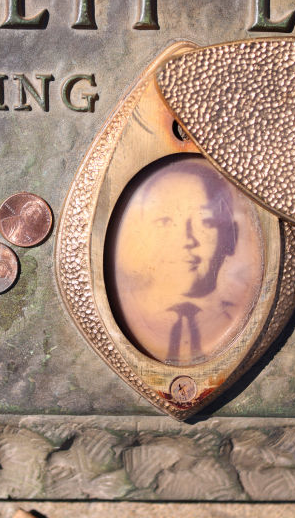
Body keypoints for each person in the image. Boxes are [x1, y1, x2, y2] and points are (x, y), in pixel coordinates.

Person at [109, 155, 262, 365]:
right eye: (165, 222)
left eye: (204, 222)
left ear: (229, 238)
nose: (186, 240)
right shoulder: (123, 317)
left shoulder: (245, 318)